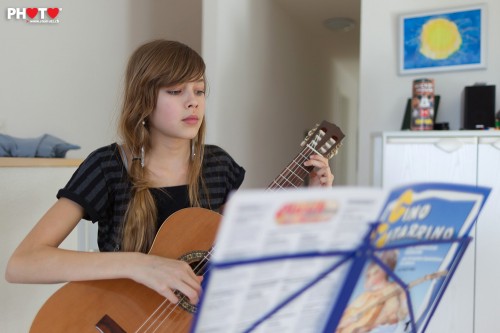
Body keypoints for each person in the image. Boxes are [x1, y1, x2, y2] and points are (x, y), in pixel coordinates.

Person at [5, 40, 335, 307]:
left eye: (199, 91)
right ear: (143, 100)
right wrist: (140, 265)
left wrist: (312, 202)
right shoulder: (108, 166)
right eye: (176, 91)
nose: (193, 102)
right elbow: (22, 263)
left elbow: (237, 247)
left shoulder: (218, 166)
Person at [336, 250, 409, 333]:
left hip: (369, 322)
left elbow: (393, 315)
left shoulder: (392, 288)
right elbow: (349, 312)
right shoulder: (366, 295)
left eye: (376, 273)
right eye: (370, 274)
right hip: (355, 318)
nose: (372, 277)